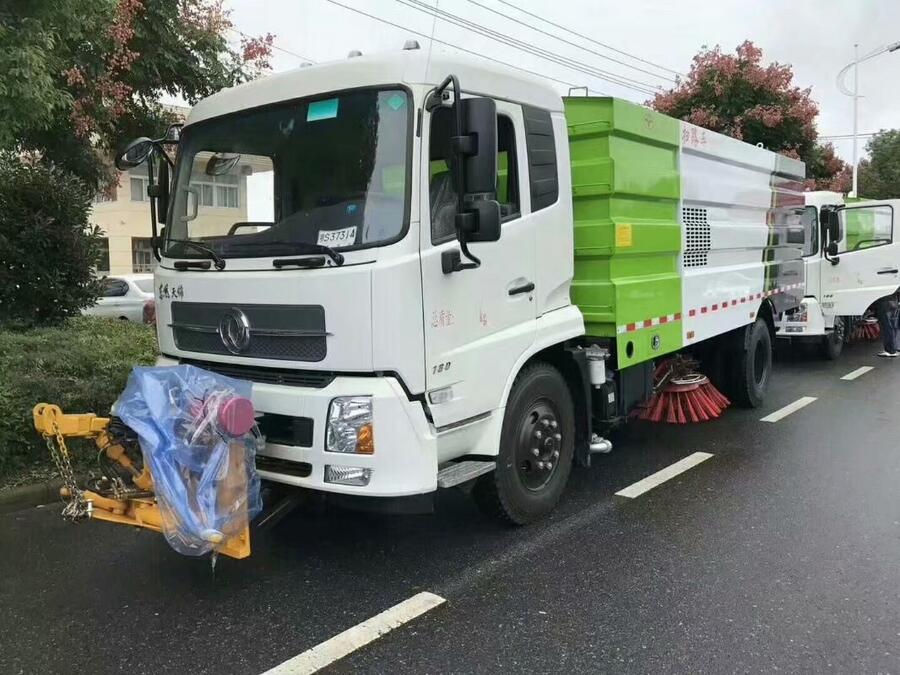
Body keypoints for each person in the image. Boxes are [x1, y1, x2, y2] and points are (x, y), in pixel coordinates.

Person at [875, 293, 900, 357]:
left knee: (886, 327)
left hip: (884, 303)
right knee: (894, 326)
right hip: (894, 301)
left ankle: (890, 350)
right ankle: (894, 348)